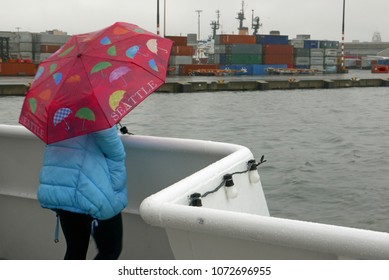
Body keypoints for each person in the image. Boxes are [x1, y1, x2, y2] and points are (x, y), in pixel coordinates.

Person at [37, 125, 127, 260]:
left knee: (75, 249)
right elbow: (115, 151)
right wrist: (111, 128)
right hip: (92, 192)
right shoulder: (96, 114)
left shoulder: (60, 115)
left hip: (62, 191)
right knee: (110, 250)